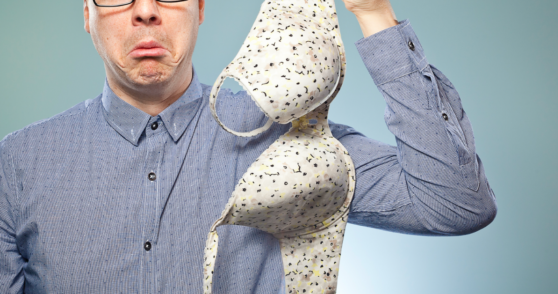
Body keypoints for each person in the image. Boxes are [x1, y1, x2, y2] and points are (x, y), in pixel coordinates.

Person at [0, 0, 497, 293]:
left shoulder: (288, 136)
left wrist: (375, 15)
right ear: (87, 14)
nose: (146, 11)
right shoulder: (17, 164)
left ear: (199, 10)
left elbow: (455, 205)